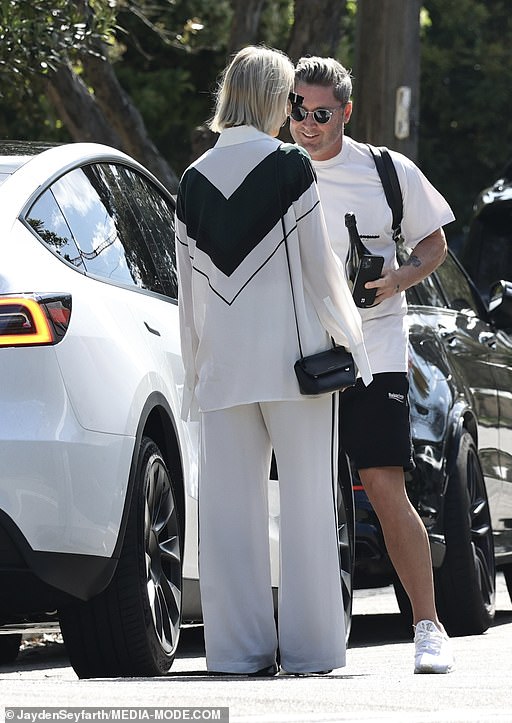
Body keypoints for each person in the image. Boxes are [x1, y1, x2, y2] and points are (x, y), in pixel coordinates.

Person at [175, 46, 372, 676]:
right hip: (298, 368)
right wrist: (353, 342)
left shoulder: (193, 177)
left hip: (224, 371)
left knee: (229, 516)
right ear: (271, 98)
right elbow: (321, 270)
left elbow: (189, 295)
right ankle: (313, 651)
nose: (295, 109)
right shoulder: (292, 167)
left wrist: (194, 372)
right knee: (311, 505)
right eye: (289, 96)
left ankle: (235, 654)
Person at [290, 56, 455, 674]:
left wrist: (396, 280)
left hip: (376, 347)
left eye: (321, 113)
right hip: (302, 350)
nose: (308, 124)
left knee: (385, 486)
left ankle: (427, 626)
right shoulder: (277, 173)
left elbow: (435, 241)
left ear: (346, 113)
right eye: (298, 112)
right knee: (303, 493)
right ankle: (305, 629)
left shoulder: (386, 170)